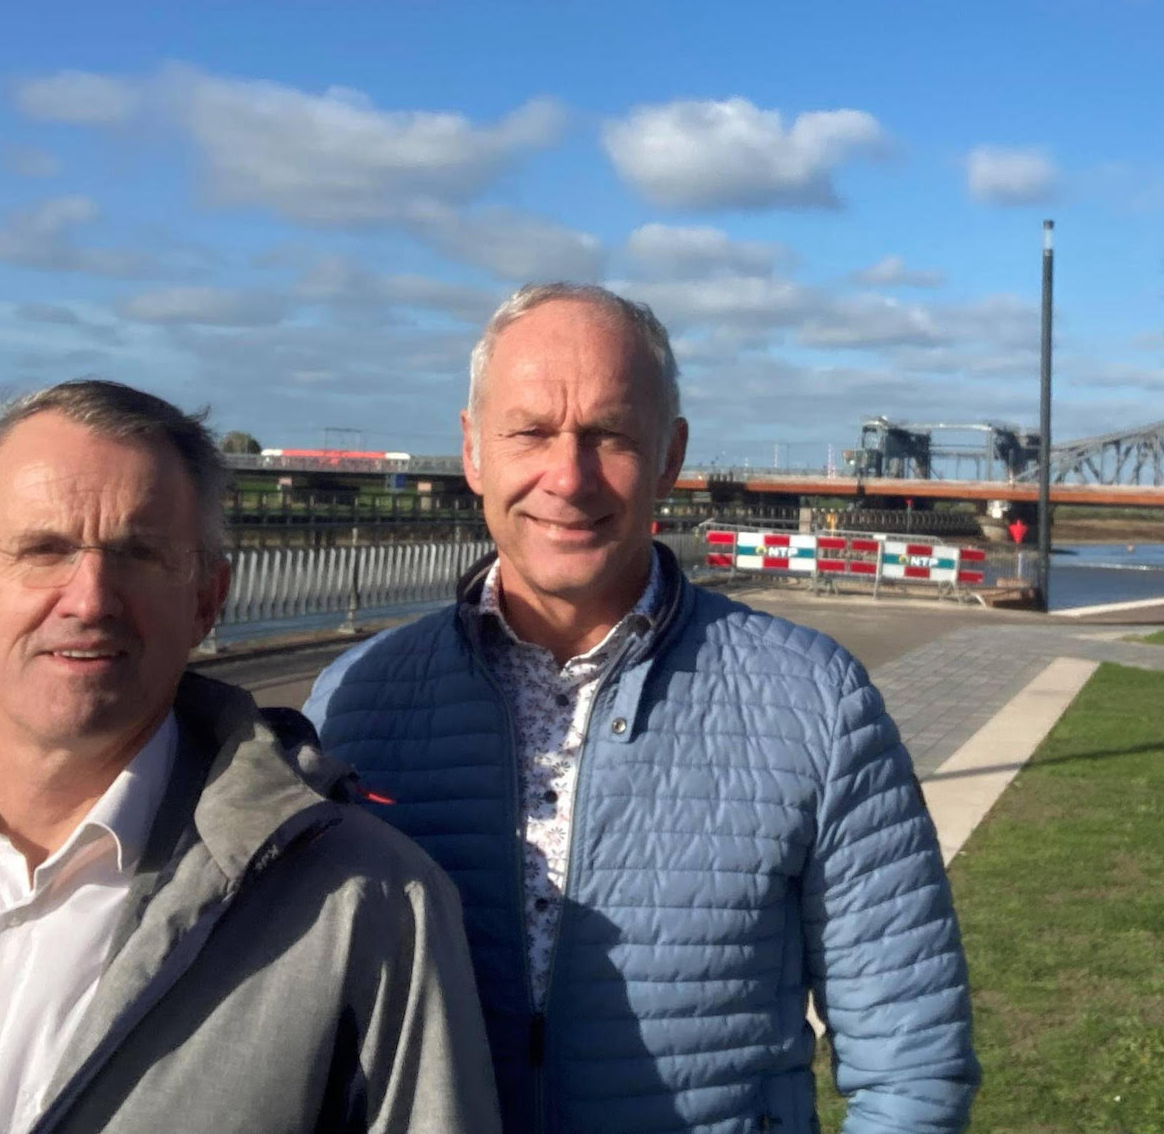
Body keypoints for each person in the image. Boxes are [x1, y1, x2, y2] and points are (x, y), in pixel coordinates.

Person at [0, 379, 499, 1134]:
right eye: (43, 549)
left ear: (207, 600)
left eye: (138, 554)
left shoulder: (366, 904)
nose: (90, 598)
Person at [304, 284, 977, 1134]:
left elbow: (912, 1062)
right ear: (472, 450)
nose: (568, 476)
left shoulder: (817, 701)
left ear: (669, 456)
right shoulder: (356, 703)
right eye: (530, 431)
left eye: (610, 434)